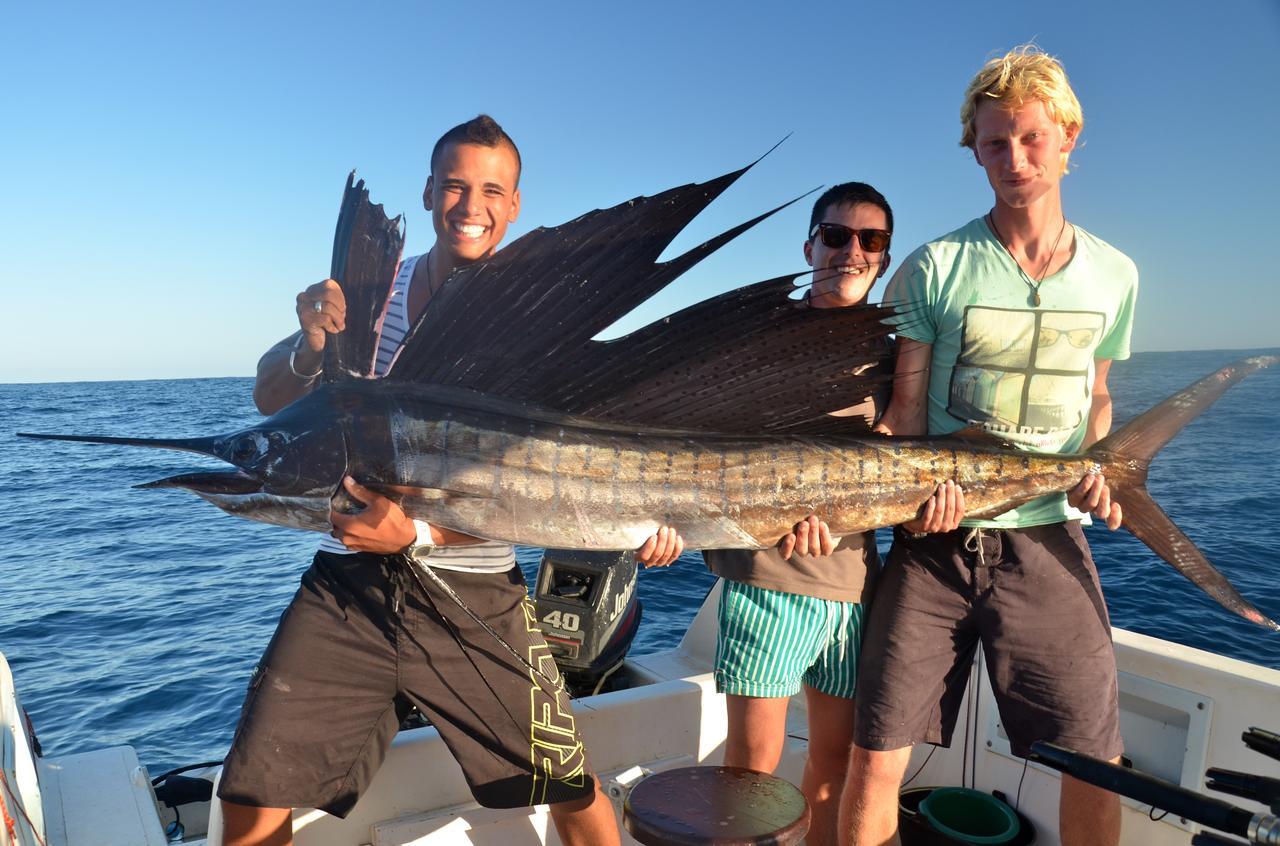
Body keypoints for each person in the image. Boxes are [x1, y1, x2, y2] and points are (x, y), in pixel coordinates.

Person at [216, 115, 677, 846]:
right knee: (249, 796)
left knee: (569, 784)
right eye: (456, 185)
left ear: (516, 203)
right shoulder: (369, 293)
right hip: (347, 587)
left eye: (491, 189)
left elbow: (538, 484)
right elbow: (272, 400)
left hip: (475, 590)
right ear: (429, 191)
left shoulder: (530, 325)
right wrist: (310, 344)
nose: (471, 204)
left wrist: (419, 532)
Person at [838, 46, 1136, 846]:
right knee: (874, 756)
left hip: (1046, 535)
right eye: (996, 143)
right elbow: (905, 415)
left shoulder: (1116, 276)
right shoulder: (934, 267)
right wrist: (877, 504)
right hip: (933, 543)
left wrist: (1102, 471)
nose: (1016, 159)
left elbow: (1098, 396)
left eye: (1033, 138)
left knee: (1094, 761)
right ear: (973, 148)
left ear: (1070, 137)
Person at [693, 183, 963, 846]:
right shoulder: (763, 338)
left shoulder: (896, 350)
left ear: (883, 256)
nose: (851, 251)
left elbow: (902, 455)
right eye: (837, 235)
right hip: (769, 582)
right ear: (809, 244)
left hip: (853, 586)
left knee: (832, 766)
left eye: (870, 241)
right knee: (751, 772)